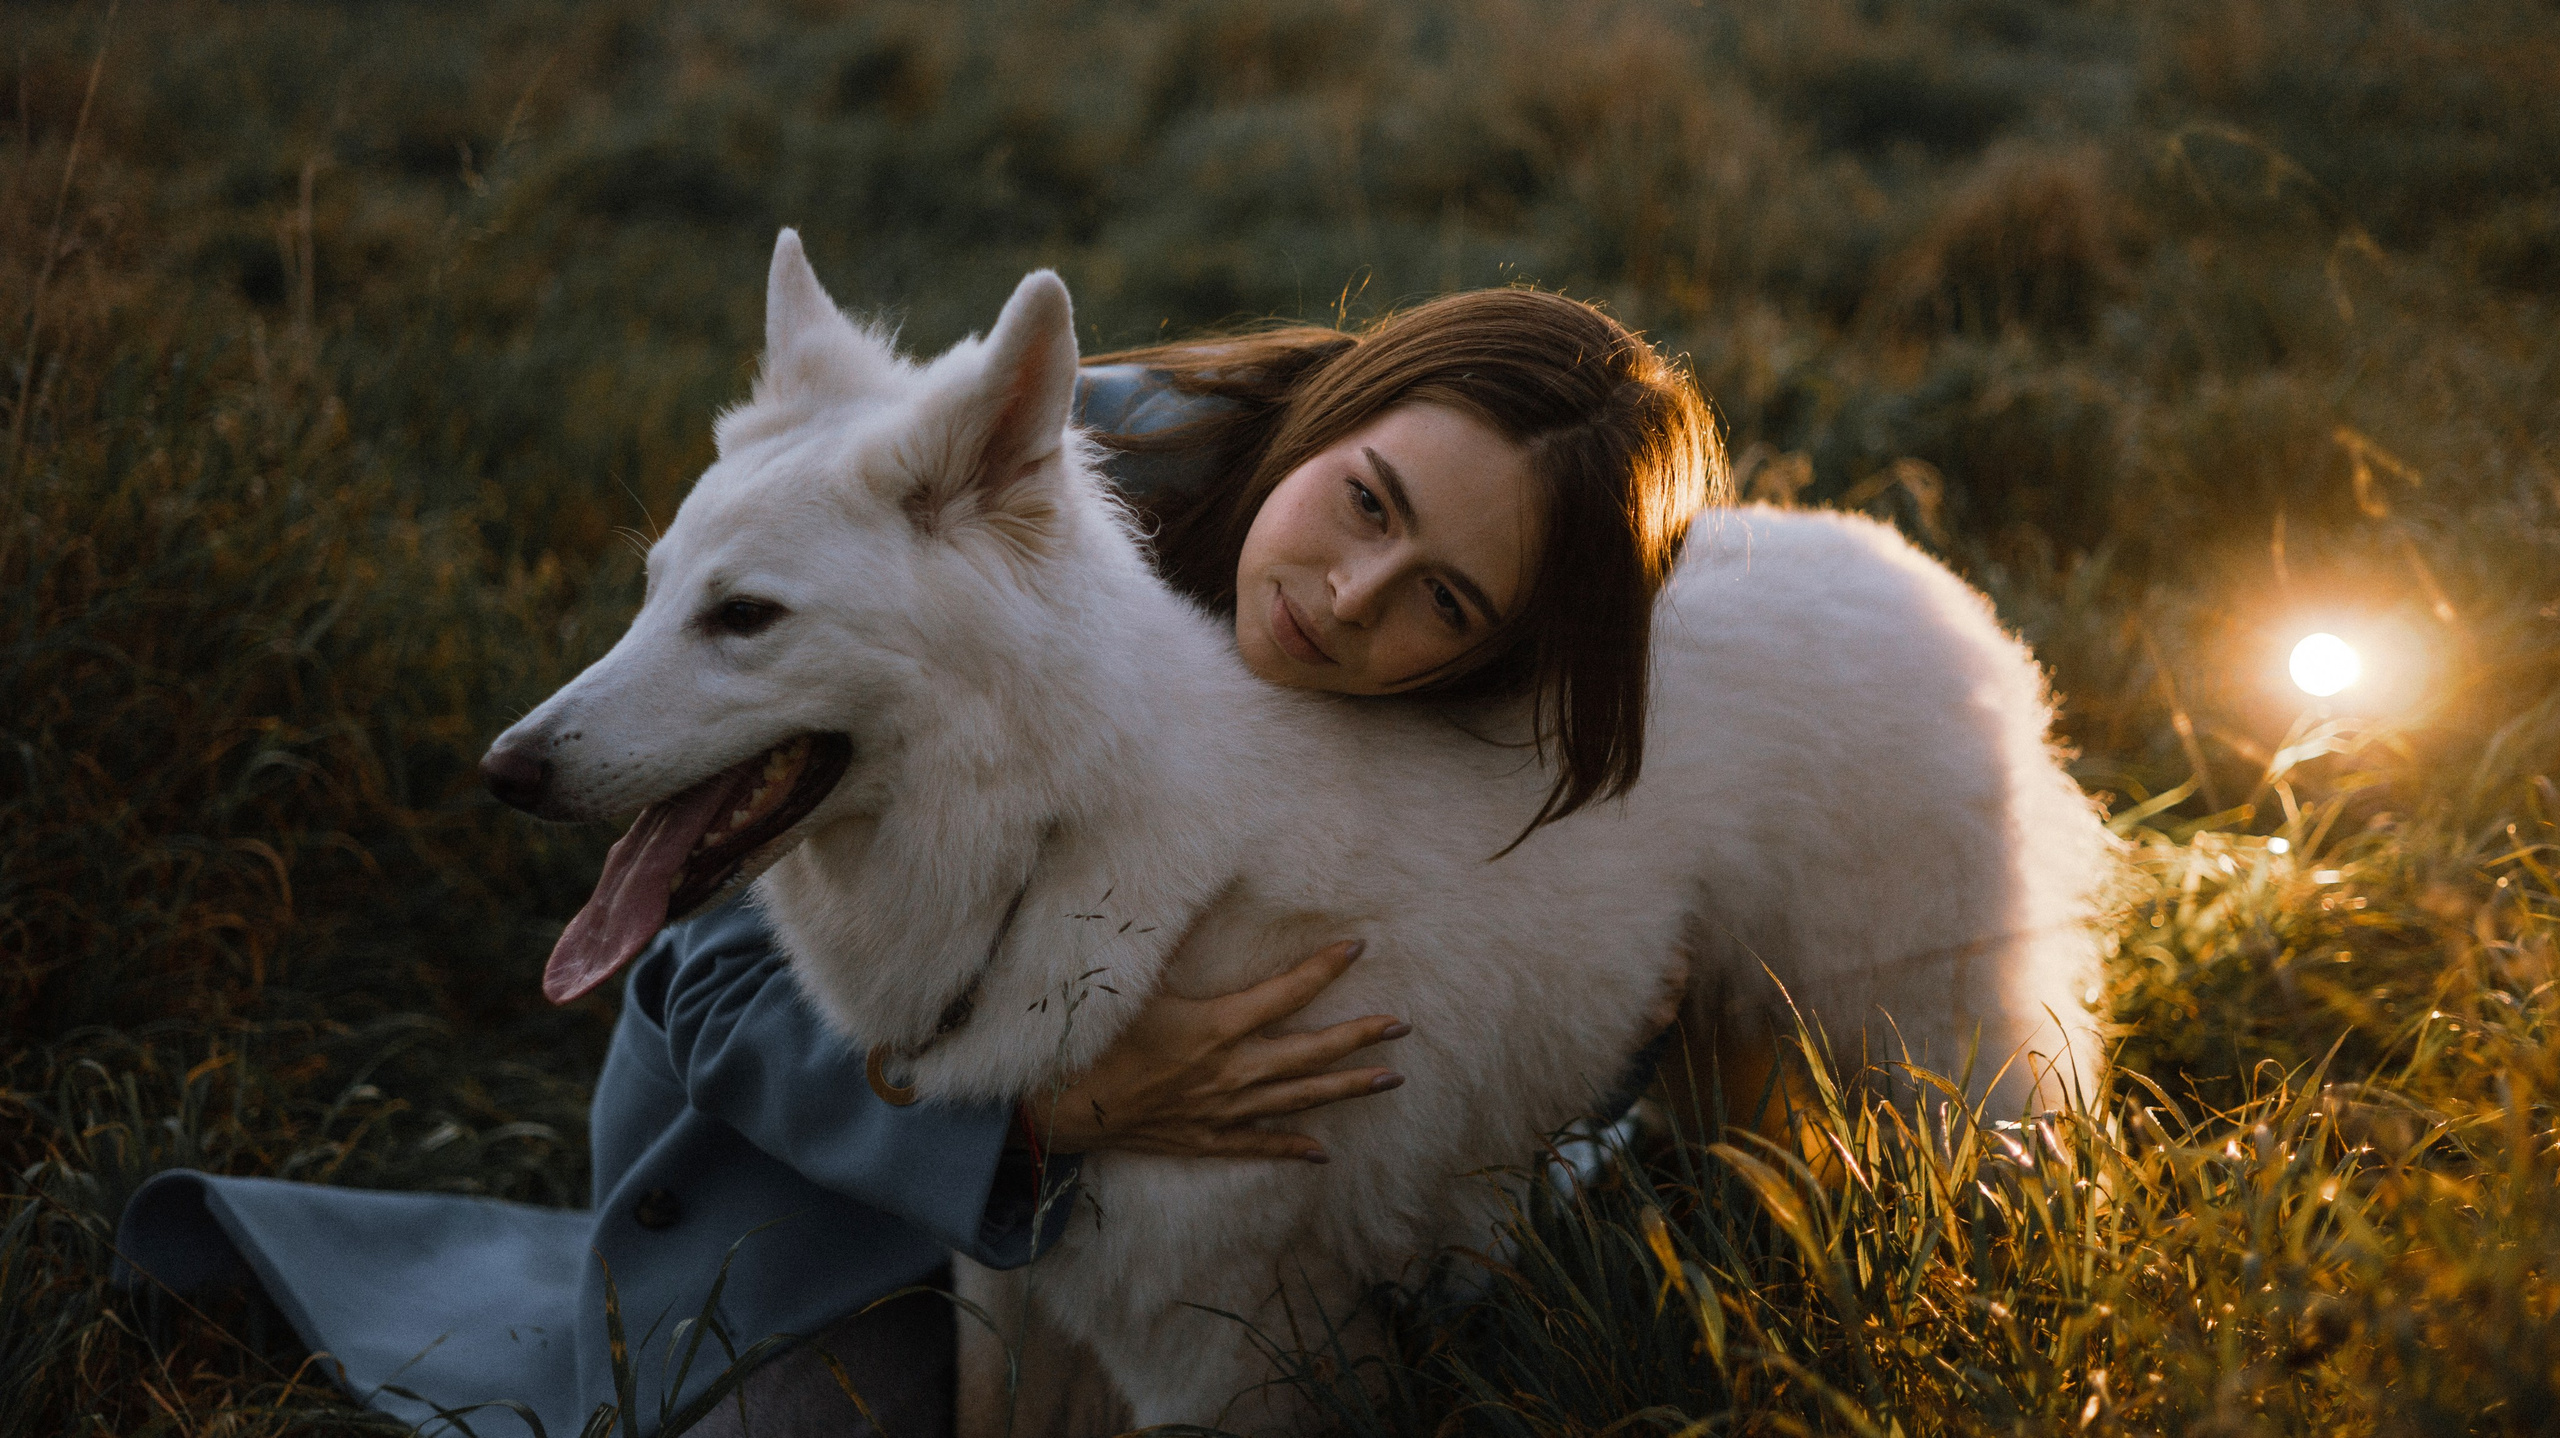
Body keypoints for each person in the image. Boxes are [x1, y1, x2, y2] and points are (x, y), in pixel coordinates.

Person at [115, 285, 1725, 1437]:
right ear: (1344, 405)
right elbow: (715, 977)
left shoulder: (1472, 710)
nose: (1351, 596)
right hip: (816, 1178)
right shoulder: (1036, 469)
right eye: (1365, 497)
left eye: (1445, 601)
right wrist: (1041, 1113)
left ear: (1500, 653)